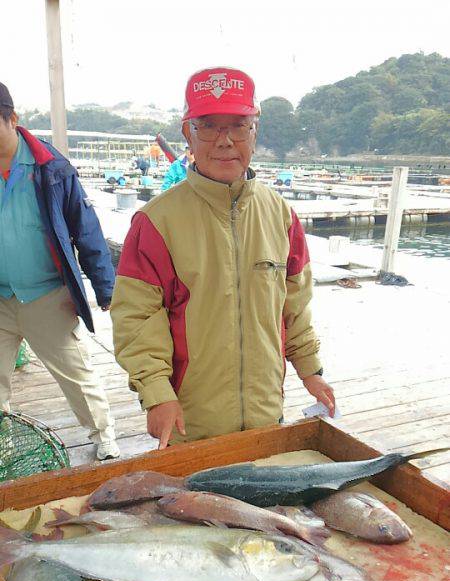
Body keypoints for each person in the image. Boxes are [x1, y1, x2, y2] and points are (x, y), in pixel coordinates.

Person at [111, 67, 335, 449]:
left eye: (238, 126)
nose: (225, 140)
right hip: (191, 422)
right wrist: (156, 392)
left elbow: (294, 305)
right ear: (188, 134)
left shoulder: (281, 215)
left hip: (267, 414)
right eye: (209, 127)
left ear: (255, 131)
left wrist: (311, 371)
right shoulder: (156, 222)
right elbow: (136, 316)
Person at [0, 82, 120, 460]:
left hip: (46, 295)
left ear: (13, 120)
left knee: (75, 375)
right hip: (0, 298)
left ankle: (105, 438)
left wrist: (105, 288)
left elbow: (86, 229)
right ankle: (3, 444)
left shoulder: (52, 168)